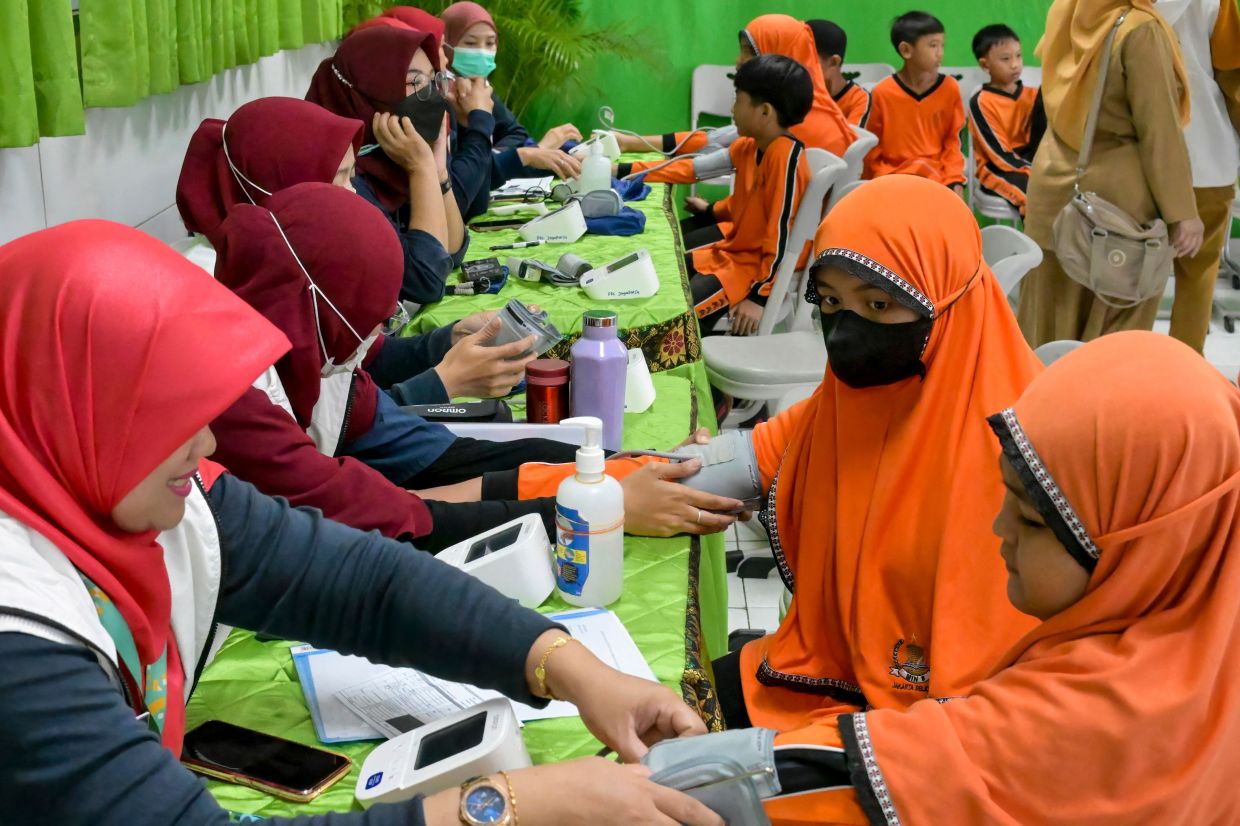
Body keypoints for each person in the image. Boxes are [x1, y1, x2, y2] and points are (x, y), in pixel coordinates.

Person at [0, 220, 721, 826]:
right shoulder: (20, 647)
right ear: (65, 408)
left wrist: (569, 665)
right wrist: (502, 806)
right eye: (168, 418)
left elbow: (360, 583)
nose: (208, 444)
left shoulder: (152, 499)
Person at [741, 332, 1240, 824]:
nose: (999, 527)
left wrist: (703, 772)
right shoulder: (1207, 621)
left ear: (1143, 548)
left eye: (1033, 521)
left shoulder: (1091, 716)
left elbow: (888, 769)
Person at [209, 183, 744, 549]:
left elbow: (429, 474)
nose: (377, 337)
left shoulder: (317, 361)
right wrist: (596, 507)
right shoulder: (245, 403)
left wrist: (625, 465)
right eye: (374, 318)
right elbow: (375, 518)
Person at [706, 176, 1043, 736]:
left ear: (945, 301)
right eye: (831, 302)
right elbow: (747, 457)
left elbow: (984, 711)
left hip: (936, 735)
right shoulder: (855, 399)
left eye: (879, 304)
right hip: (825, 675)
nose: (846, 332)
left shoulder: (1022, 459)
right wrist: (591, 485)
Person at [173, 96, 526, 405]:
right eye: (340, 177)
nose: (353, 193)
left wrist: (449, 339)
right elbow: (310, 432)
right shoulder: (215, 286)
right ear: (282, 182)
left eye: (352, 176)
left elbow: (363, 359)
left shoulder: (292, 247)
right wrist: (441, 384)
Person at [1018, 0, 1200, 347]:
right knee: (1110, 342)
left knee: (1047, 329)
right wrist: (1182, 212)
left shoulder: (1067, 10)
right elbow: (1160, 131)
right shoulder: (1139, 30)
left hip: (1053, 190)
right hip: (1114, 212)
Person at [305, 25, 468, 305]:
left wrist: (438, 171)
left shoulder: (390, 160)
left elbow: (452, 252)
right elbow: (428, 279)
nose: (430, 95)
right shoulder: (342, 178)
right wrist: (421, 168)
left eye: (432, 81)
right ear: (366, 90)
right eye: (414, 82)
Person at [677, 55, 813, 335]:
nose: (732, 109)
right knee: (668, 269)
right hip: (737, 255)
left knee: (678, 316)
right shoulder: (755, 146)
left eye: (738, 100)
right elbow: (747, 207)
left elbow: (782, 233)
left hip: (753, 271)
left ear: (765, 111)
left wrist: (760, 296)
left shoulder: (785, 156)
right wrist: (711, 210)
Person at [615, 14, 856, 165]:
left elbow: (777, 224)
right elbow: (715, 140)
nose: (739, 61)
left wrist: (627, 162)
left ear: (777, 56)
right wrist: (628, 143)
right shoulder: (792, 109)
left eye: (749, 52)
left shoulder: (792, 125)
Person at [439, 1, 584, 220]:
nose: (482, 51)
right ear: (445, 45)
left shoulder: (481, 89)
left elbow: (515, 133)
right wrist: (524, 155)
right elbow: (461, 186)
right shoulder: (439, 97)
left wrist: (494, 156)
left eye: (490, 43)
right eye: (470, 43)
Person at [1161, 0, 1240, 353]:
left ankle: (1127, 373)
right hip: (1207, 153)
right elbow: (1232, 76)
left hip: (1142, 160)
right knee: (1198, 276)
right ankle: (1184, 368)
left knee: (1135, 280)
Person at [862, 11, 967, 195]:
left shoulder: (950, 89)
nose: (940, 53)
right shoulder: (882, 92)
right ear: (906, 50)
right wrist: (879, 178)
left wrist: (955, 179)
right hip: (892, 175)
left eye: (942, 45)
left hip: (937, 176)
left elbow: (953, 143)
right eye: (933, 45)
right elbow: (872, 148)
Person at [968, 24, 1040, 215]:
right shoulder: (982, 102)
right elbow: (998, 155)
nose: (1015, 64)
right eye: (1006, 59)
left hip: (1030, 163)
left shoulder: (1034, 95)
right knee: (1035, 196)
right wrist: (1034, 170)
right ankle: (1036, 234)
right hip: (998, 168)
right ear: (985, 65)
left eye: (1018, 56)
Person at [807, 19, 872, 126]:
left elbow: (852, 137)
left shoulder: (859, 99)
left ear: (833, 62)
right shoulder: (796, 94)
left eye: (806, 58)